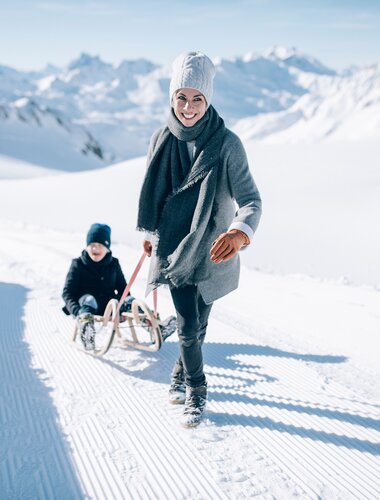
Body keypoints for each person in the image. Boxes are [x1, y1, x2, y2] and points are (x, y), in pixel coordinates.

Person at [137, 51, 262, 427]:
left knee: (199, 325)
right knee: (189, 325)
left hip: (212, 252)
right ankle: (197, 389)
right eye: (181, 97)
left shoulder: (226, 144)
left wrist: (239, 233)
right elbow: (153, 193)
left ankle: (178, 373)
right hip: (174, 250)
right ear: (171, 97)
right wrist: (148, 234)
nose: (188, 107)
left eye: (197, 99)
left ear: (208, 100)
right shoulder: (160, 139)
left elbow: (251, 200)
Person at [62, 223, 132, 350]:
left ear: (107, 248)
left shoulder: (113, 264)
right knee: (89, 299)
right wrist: (76, 311)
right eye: (92, 245)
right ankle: (86, 330)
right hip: (87, 307)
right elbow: (67, 293)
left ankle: (154, 325)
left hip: (110, 306)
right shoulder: (78, 264)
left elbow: (123, 289)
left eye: (100, 245)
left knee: (130, 300)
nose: (95, 248)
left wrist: (126, 306)